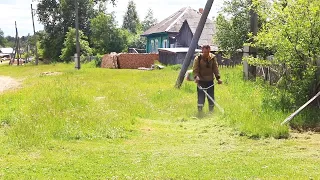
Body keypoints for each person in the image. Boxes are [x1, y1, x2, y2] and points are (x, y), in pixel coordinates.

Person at [193, 45, 222, 113]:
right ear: (202, 51)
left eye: (208, 52)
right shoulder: (198, 58)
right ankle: (200, 112)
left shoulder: (212, 58)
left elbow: (215, 68)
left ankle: (211, 112)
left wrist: (218, 78)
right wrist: (196, 77)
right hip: (201, 81)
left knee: (211, 97)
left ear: (209, 50)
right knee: (201, 97)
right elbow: (195, 69)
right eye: (205, 52)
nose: (206, 53)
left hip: (210, 81)